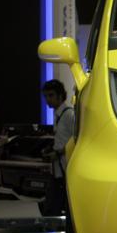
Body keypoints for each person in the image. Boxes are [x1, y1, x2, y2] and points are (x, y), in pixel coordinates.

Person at [42, 79, 75, 216]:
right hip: (58, 170)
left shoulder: (69, 115)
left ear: (60, 96)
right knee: (52, 207)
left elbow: (76, 140)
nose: (47, 99)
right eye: (46, 96)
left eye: (51, 95)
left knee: (59, 207)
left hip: (66, 170)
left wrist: (58, 153)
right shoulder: (58, 115)